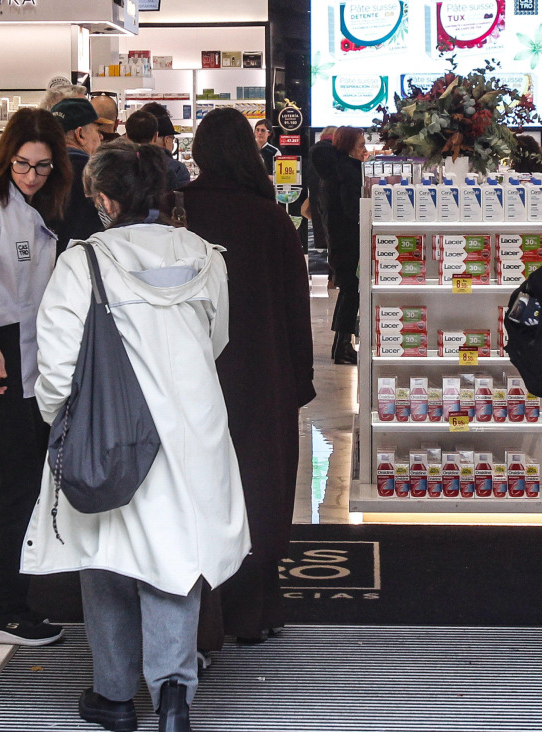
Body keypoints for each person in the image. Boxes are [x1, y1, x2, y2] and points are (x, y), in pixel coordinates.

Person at [22, 140, 250, 732]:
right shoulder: (204, 255)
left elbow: (56, 365)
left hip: (109, 432)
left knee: (106, 556)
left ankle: (115, 695)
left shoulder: (83, 262)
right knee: (178, 554)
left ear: (104, 199)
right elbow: (217, 339)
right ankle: (173, 695)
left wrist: (58, 420)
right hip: (192, 426)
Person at [179, 107, 316, 644]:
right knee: (258, 485)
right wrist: (298, 379)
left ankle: (197, 617)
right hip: (261, 374)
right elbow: (296, 306)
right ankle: (252, 609)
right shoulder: (270, 218)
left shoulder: (177, 213)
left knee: (194, 488)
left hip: (190, 372)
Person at [0, 107, 73, 646]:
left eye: (43, 166)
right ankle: (0, 608)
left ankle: (12, 597)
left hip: (35, 357)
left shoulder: (37, 208)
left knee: (26, 484)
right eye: (23, 164)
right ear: (6, 158)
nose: (32, 175)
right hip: (2, 359)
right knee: (10, 487)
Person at [321, 126, 368, 365]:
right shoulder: (348, 172)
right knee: (352, 292)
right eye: (361, 145)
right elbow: (352, 210)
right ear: (349, 147)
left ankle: (340, 344)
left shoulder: (335, 170)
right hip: (349, 241)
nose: (364, 150)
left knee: (348, 292)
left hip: (339, 240)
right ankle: (343, 347)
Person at [49, 97, 104, 254]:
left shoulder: (37, 171)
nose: (101, 137)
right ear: (80, 135)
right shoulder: (95, 173)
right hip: (85, 260)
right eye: (97, 131)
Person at [125, 109, 190, 191]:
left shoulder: (117, 165)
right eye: (172, 139)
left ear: (127, 136)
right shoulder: (176, 169)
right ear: (156, 136)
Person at [304, 126, 338, 256]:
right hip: (331, 199)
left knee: (321, 233)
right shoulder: (334, 151)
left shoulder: (313, 149)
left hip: (316, 197)